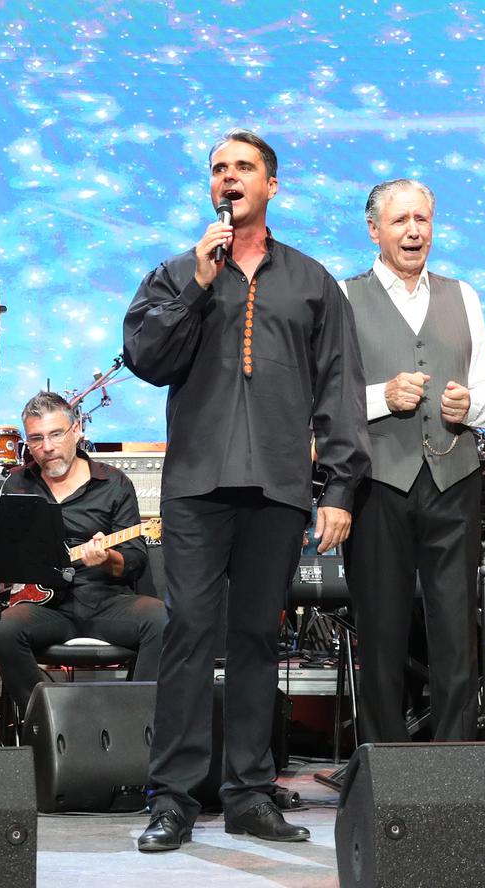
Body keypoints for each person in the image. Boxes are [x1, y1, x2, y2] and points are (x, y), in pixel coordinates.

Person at [123, 129, 368, 852]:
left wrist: (339, 487)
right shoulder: (178, 271)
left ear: (271, 185)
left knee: (259, 637)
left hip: (278, 484)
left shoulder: (311, 281)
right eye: (218, 169)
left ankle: (249, 795)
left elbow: (340, 387)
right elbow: (144, 357)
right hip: (197, 483)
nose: (228, 178)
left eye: (242, 167)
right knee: (188, 634)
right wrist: (197, 286)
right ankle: (172, 798)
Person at [339, 180, 485, 743]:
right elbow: (323, 399)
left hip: (455, 478)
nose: (413, 231)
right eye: (400, 220)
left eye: (422, 220)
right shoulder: (343, 296)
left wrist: (470, 405)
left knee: (456, 628)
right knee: (381, 631)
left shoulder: (463, 295)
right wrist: (383, 397)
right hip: (378, 482)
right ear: (373, 229)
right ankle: (385, 761)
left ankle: (454, 762)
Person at [0, 392, 167, 719]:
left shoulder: (113, 483)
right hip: (44, 608)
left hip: (105, 603)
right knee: (4, 628)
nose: (47, 447)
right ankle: (43, 722)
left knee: (161, 619)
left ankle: (136, 725)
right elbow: (0, 554)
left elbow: (135, 559)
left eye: (56, 434)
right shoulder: (16, 485)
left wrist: (109, 559)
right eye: (36, 438)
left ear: (76, 431)